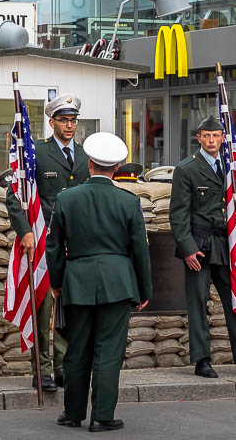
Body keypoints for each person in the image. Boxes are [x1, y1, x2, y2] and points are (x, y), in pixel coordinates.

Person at [47, 132, 151, 432]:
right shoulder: (129, 201)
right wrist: (144, 290)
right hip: (118, 282)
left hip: (77, 281)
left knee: (77, 348)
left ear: (89, 164)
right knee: (109, 351)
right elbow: (140, 251)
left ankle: (73, 413)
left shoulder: (67, 198)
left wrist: (57, 282)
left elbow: (53, 247)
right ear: (116, 167)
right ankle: (102, 416)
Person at [169, 116, 236, 379]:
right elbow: (178, 214)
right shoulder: (187, 169)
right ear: (199, 138)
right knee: (198, 303)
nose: (212, 140)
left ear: (222, 138)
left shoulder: (230, 167)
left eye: (216, 136)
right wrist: (187, 249)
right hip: (200, 245)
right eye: (207, 136)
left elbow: (233, 200)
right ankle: (201, 360)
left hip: (227, 244)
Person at [4, 93, 89, 393]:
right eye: (64, 120)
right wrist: (25, 230)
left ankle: (65, 367)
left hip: (75, 241)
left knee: (69, 306)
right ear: (52, 122)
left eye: (73, 120)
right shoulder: (36, 152)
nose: (69, 125)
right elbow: (16, 195)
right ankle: (41, 370)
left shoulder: (83, 155)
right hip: (43, 240)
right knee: (42, 307)